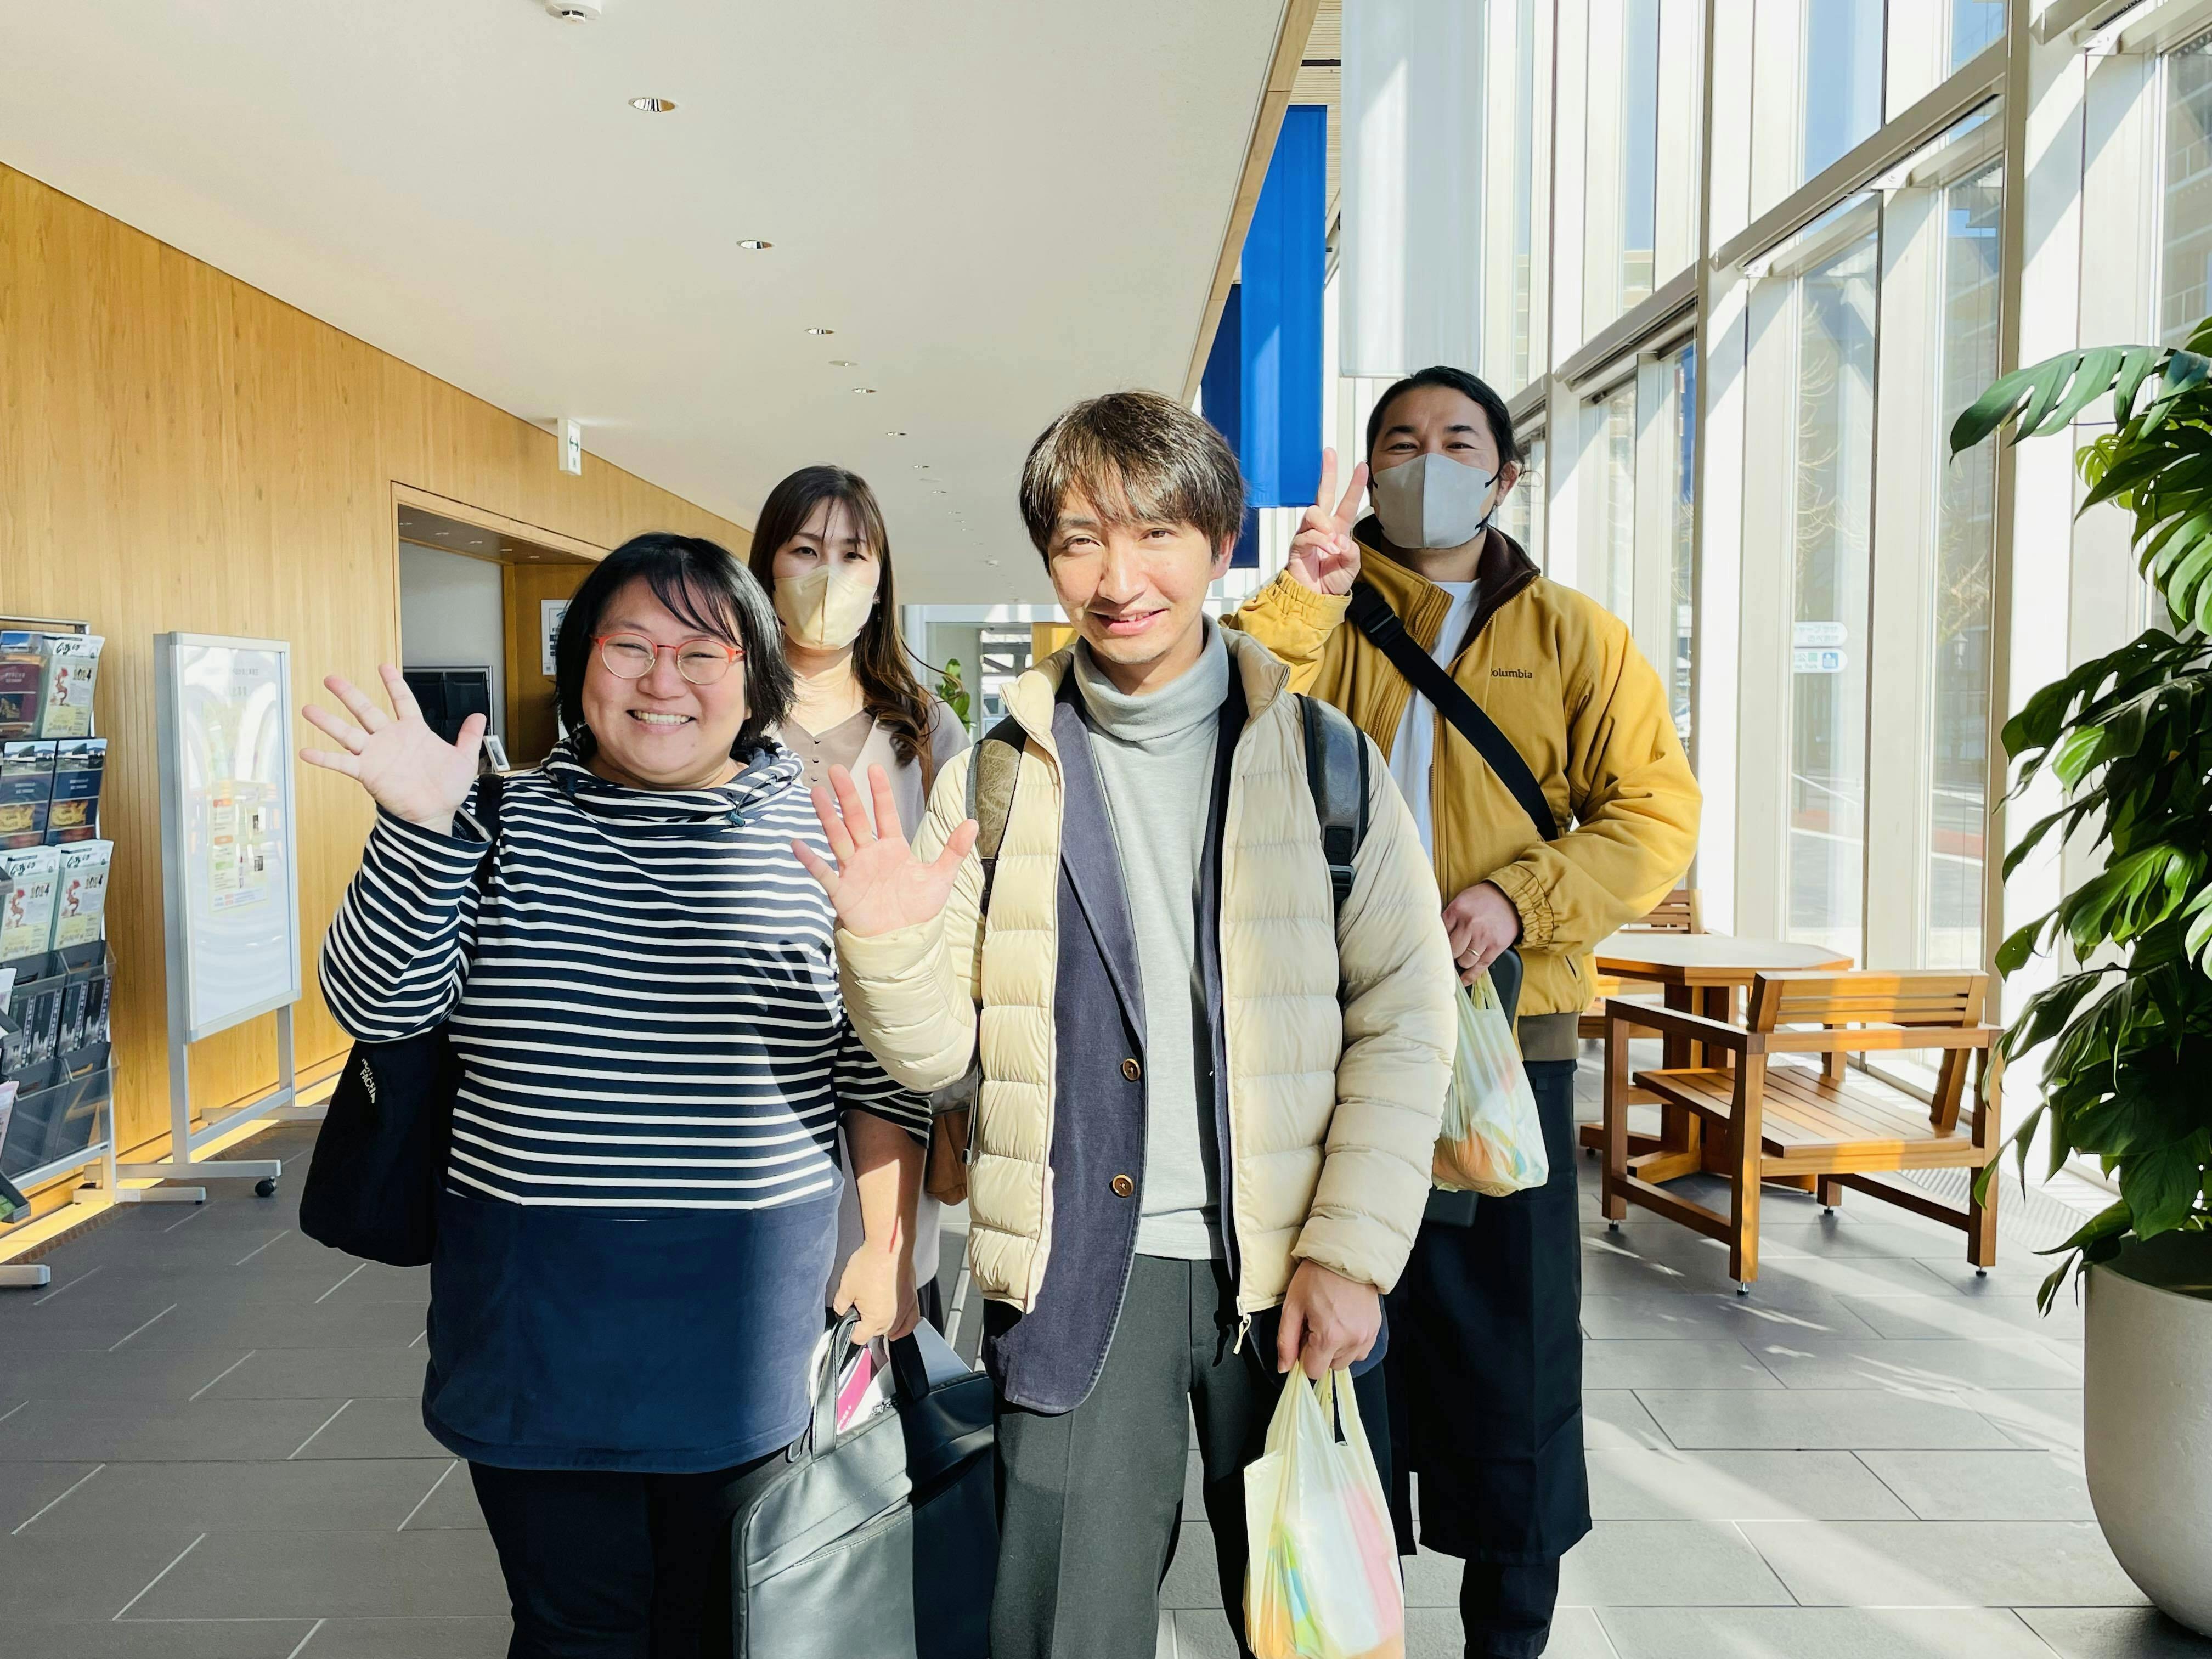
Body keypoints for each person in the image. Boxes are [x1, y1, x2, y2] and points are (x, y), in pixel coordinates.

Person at [792, 390, 1460, 1659]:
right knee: (1065, 1632)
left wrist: (1352, 1252)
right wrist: (880, 943)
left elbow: (1407, 1018)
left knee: (1317, 1631)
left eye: (1155, 533)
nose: (1118, 578)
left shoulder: (1325, 762)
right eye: (1079, 540)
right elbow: (931, 1055)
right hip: (1075, 1273)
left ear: (1219, 544)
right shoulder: (995, 776)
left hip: (1290, 1268)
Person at [307, 533, 929, 1659]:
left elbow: (876, 1067)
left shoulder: (822, 837)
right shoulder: (493, 820)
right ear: (579, 663)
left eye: (701, 652)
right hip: (535, 1322)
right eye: (629, 646)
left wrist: (887, 1247)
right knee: (568, 1631)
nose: (661, 680)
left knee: (734, 1625)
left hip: (747, 1320)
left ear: (755, 678)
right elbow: (378, 1004)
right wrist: (418, 832)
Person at [1228, 366, 1700, 1658]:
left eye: (1456, 441)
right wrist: (1302, 594)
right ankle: (1348, 1612)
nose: (1425, 463)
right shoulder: (1323, 614)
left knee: (1514, 1346)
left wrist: (1520, 896)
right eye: (1399, 442)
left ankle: (1510, 1633)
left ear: (1506, 472)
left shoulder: (1575, 636)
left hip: (1506, 1041)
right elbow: (1222, 723)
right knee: (1337, 1324)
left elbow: (1655, 813)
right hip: (1330, 1036)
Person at [749, 464, 971, 1330]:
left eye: (853, 554)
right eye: (806, 551)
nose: (829, 575)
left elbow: (960, 912)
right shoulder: (719, 721)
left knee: (879, 1323)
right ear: (766, 569)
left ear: (881, 582)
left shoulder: (926, 731)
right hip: (752, 1076)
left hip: (887, 1077)